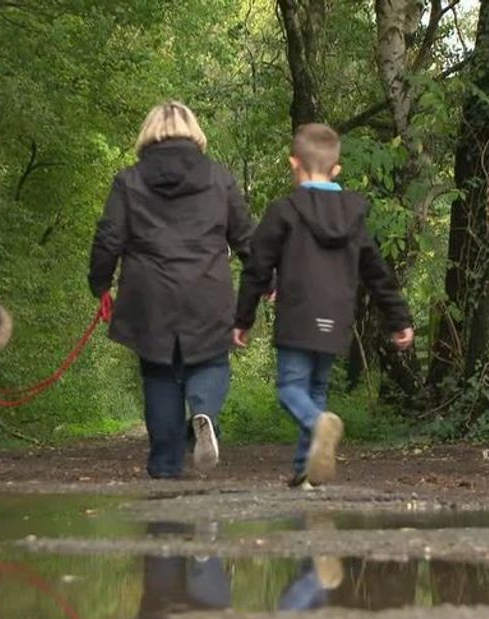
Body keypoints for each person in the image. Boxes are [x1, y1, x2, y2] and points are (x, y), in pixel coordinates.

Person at [233, 123, 414, 489]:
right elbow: (376, 271)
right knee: (316, 391)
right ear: (336, 170)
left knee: (291, 390)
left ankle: (317, 424)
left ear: (293, 164)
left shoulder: (283, 211)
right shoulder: (354, 216)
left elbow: (257, 268)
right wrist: (399, 318)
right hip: (338, 316)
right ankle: (305, 469)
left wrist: (242, 319)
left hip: (297, 314)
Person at [88, 101, 254, 479]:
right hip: (207, 291)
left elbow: (109, 237)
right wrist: (268, 282)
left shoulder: (128, 180)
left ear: (148, 135)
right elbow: (245, 236)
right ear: (194, 132)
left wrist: (100, 284)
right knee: (211, 360)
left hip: (150, 295)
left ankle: (164, 466)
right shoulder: (219, 178)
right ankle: (203, 413)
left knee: (159, 375)